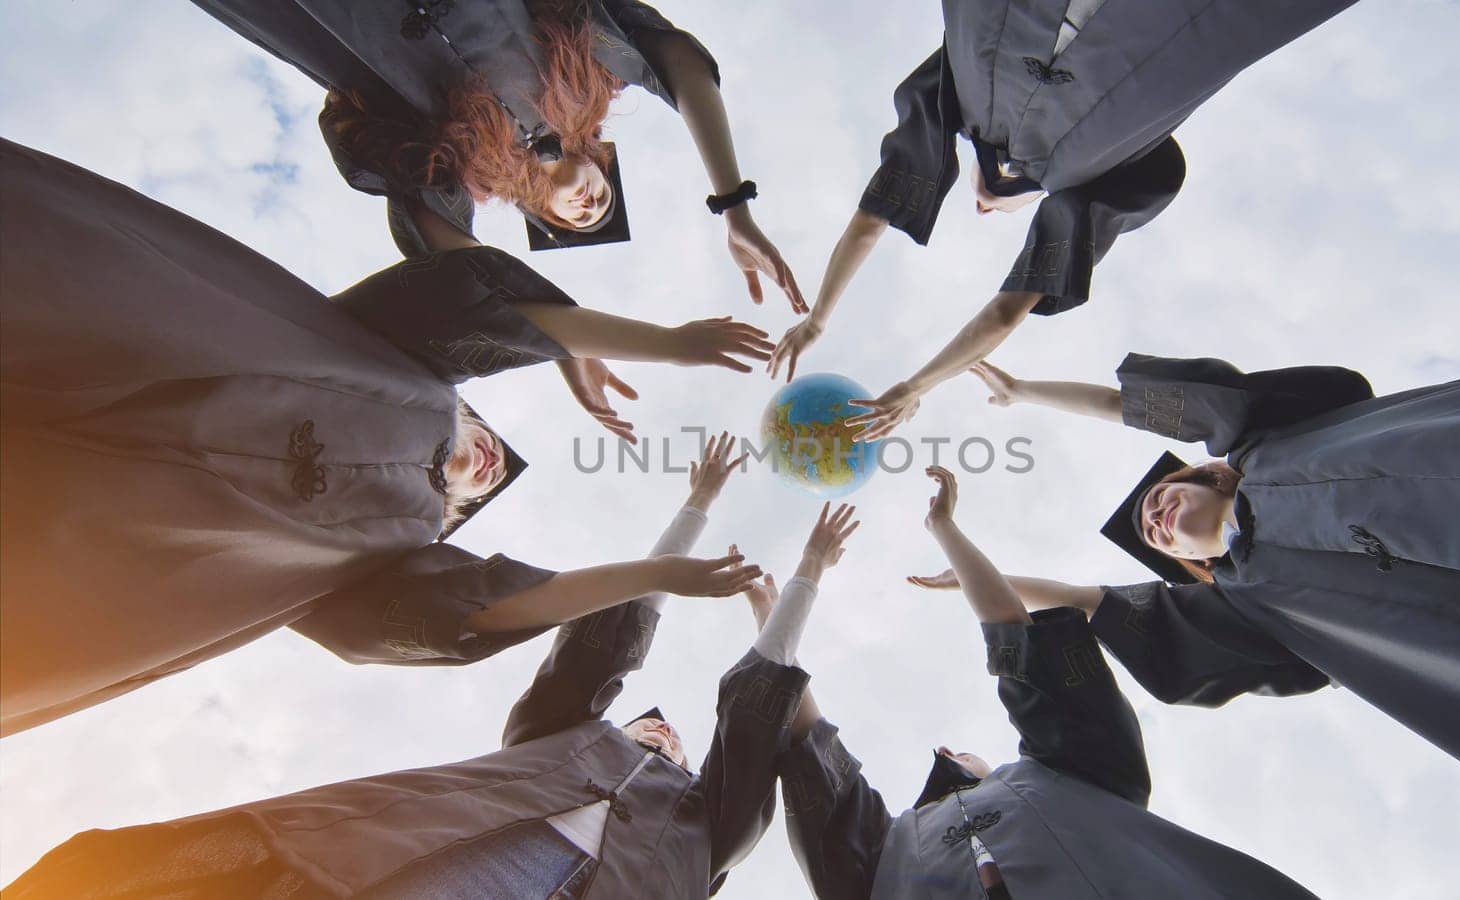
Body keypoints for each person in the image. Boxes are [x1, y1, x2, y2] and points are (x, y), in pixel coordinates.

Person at [0, 139, 772, 736]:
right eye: (484, 446)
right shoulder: (407, 370)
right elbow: (479, 304)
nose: (483, 465)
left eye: (470, 496)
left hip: (103, 547)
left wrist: (655, 574)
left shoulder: (386, 551)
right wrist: (659, 343)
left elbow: (490, 611)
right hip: (144, 330)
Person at [4, 441, 855, 899]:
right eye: (647, 726)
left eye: (665, 736)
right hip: (435, 869)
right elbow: (605, 643)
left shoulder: (708, 832)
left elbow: (752, 718)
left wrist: (803, 582)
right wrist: (696, 508)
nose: (662, 732)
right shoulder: (553, 739)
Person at [919, 355, 1460, 842]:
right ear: (1193, 567)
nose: (1154, 515)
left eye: (1161, 496)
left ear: (1210, 473)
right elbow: (1082, 599)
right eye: (1157, 537)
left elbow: (1138, 409)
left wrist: (1024, 390)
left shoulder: (1269, 443)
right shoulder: (1257, 600)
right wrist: (974, 570)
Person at [765, 0, 1356, 440]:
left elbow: (878, 210)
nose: (984, 206)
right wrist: (913, 387)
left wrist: (820, 318)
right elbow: (1005, 307)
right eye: (994, 207)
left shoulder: (962, 91)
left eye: (985, 203)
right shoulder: (1106, 170)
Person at [777, 467, 1318, 898]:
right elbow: (809, 751)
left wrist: (944, 530)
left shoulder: (1073, 770)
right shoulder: (885, 850)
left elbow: (1018, 643)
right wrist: (776, 612)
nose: (946, 753)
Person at [189, 0, 805, 310]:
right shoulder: (587, 70)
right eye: (604, 199)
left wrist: (553, 325)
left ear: (547, 216)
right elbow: (679, 63)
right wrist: (733, 207)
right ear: (602, 161)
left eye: (580, 217)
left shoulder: (456, 167)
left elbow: (448, 253)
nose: (591, 204)